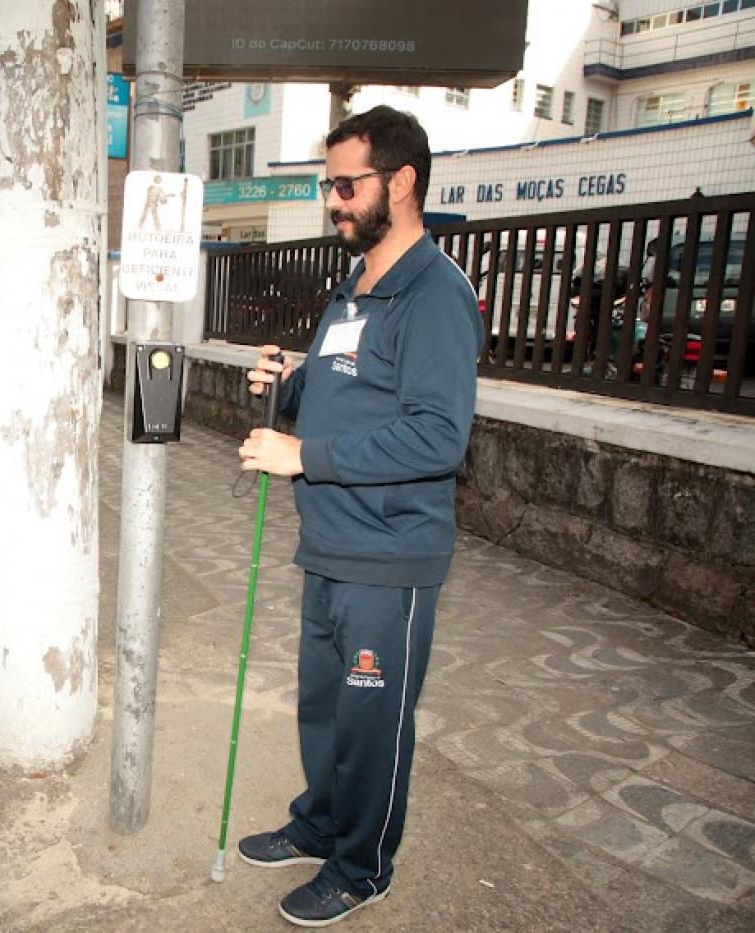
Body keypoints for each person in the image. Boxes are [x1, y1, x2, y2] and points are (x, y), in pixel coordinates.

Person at [236, 105, 484, 927]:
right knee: (324, 708)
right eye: (328, 184)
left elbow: (438, 435)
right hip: (330, 545)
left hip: (391, 555)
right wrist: (285, 383)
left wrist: (304, 457)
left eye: (347, 184)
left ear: (402, 182)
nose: (333, 200)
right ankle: (319, 823)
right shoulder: (356, 285)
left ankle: (361, 865)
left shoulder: (436, 294)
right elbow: (340, 388)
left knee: (374, 720)